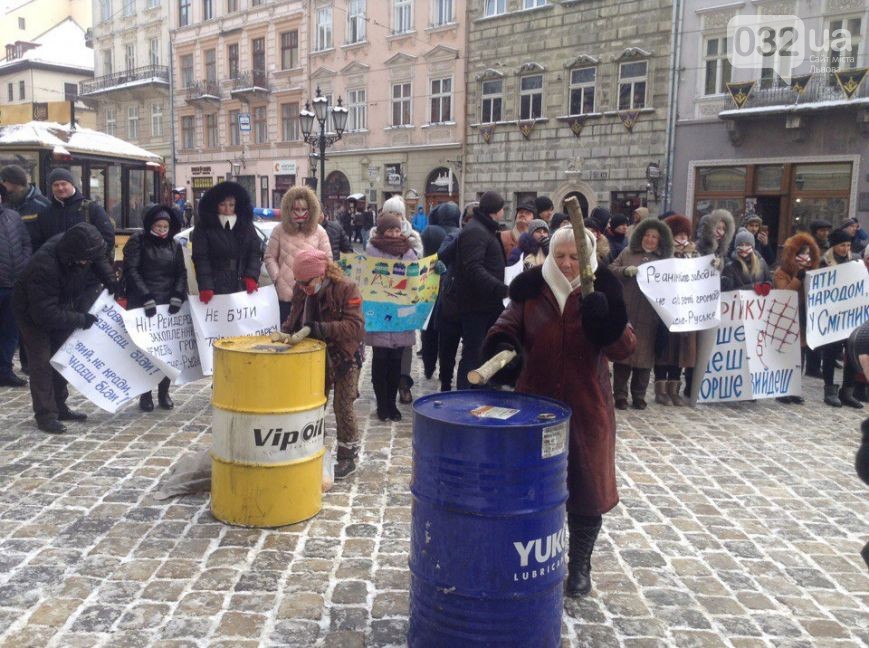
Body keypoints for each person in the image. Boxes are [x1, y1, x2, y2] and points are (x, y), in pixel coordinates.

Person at [481, 225, 636, 598]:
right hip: (536, 407)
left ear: (588, 256)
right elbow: (506, 327)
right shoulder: (531, 292)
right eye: (561, 255)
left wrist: (606, 321)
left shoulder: (601, 291)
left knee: (586, 490)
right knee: (531, 490)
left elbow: (625, 347)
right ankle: (530, 562)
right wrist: (503, 347)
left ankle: (579, 565)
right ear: (551, 255)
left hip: (587, 408)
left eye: (574, 256)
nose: (567, 264)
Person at [13, 223, 117, 434]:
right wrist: (80, 319)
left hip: (59, 303)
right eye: (84, 260)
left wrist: (112, 282)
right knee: (42, 361)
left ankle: (60, 406)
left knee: (62, 357)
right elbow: (44, 314)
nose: (87, 263)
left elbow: (98, 261)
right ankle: (46, 414)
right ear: (72, 256)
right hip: (32, 312)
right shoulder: (44, 266)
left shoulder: (84, 248)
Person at [282, 249, 365, 479]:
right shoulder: (302, 290)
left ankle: (347, 456)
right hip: (313, 357)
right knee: (314, 405)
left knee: (343, 405)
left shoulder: (346, 288)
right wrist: (286, 332)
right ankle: (313, 447)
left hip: (345, 355)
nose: (303, 287)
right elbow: (294, 317)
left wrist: (322, 328)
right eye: (299, 282)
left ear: (321, 274)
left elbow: (355, 325)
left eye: (307, 282)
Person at [122, 205, 187, 412]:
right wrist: (145, 296)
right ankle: (145, 393)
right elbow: (131, 270)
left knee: (167, 352)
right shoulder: (138, 242)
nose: (161, 229)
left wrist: (178, 295)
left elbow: (181, 273)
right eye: (158, 225)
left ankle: (164, 391)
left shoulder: (174, 245)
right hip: (144, 303)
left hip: (168, 304)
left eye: (165, 226)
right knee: (146, 352)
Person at [609, 217, 674, 409]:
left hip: (650, 315)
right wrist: (624, 271)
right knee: (623, 357)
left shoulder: (664, 260)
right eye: (647, 235)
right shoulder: (628, 252)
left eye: (655, 237)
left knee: (644, 360)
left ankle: (639, 395)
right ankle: (620, 395)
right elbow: (611, 269)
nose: (650, 239)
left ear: (660, 240)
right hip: (627, 311)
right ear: (641, 236)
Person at [368, 196, 422, 402]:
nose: (394, 233)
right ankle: (383, 401)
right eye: (390, 228)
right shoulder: (372, 248)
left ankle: (398, 391)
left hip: (402, 310)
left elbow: (417, 272)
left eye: (397, 228)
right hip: (381, 311)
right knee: (380, 359)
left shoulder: (410, 247)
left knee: (400, 356)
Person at [454, 191, 509, 390]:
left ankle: (480, 391)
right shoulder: (476, 231)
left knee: (483, 351)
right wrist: (501, 288)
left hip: (487, 303)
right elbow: (473, 268)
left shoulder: (484, 229)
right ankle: (465, 394)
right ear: (497, 210)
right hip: (476, 304)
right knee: (473, 353)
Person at [264, 186, 333, 322]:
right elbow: (269, 257)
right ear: (289, 209)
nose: (300, 213)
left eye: (303, 209)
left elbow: (328, 259)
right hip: (285, 295)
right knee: (286, 333)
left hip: (312, 293)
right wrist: (277, 277)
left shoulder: (319, 231)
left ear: (310, 210)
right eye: (296, 209)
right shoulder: (279, 230)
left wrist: (319, 282)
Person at [191, 181, 263, 305]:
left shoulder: (246, 225)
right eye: (223, 204)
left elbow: (255, 251)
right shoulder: (204, 227)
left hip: (242, 282)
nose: (227, 209)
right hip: (216, 284)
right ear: (216, 205)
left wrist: (251, 276)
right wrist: (206, 285)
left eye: (231, 205)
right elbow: (201, 258)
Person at [654, 214, 698, 404]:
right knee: (665, 350)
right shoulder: (664, 255)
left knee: (681, 350)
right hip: (666, 309)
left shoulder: (694, 255)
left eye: (684, 235)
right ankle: (661, 390)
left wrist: (713, 267)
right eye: (678, 235)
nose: (682, 239)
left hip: (685, 309)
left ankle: (674, 389)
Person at [772, 232, 820, 405]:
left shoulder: (813, 271)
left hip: (804, 318)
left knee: (800, 356)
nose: (805, 258)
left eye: (808, 254)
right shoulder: (781, 273)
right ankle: (782, 389)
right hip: (787, 318)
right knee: (786, 355)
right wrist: (798, 279)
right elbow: (783, 295)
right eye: (801, 254)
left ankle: (794, 388)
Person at [817, 229, 863, 409]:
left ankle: (848, 390)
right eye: (842, 245)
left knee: (851, 353)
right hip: (831, 316)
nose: (845, 248)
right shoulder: (824, 263)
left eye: (848, 245)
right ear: (834, 246)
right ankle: (829, 390)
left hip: (850, 316)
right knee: (830, 352)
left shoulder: (855, 262)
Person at [32, 168, 115, 257]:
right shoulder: (45, 214)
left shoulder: (92, 209)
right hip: (56, 268)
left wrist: (91, 261)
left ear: (72, 184)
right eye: (56, 185)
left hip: (88, 267)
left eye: (64, 184)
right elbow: (38, 244)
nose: (60, 188)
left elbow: (108, 238)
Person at [420, 203, 461, 380]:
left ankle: (429, 366)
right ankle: (446, 372)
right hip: (451, 287)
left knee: (428, 329)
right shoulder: (461, 232)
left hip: (429, 284)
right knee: (447, 332)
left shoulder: (430, 231)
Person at [0, 186, 31, 387]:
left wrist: (24, 263)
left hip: (13, 283)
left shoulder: (13, 216)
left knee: (11, 331)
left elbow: (26, 242)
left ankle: (4, 370)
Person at [1, 164, 51, 245]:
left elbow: (50, 237)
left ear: (13, 181)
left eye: (3, 180)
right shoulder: (4, 204)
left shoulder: (43, 205)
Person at [721, 228, 772, 292]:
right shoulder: (730, 266)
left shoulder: (761, 262)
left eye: (747, 245)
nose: (744, 248)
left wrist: (768, 285)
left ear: (752, 247)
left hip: (760, 300)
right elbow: (728, 292)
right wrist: (752, 287)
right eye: (741, 245)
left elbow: (769, 280)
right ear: (736, 247)